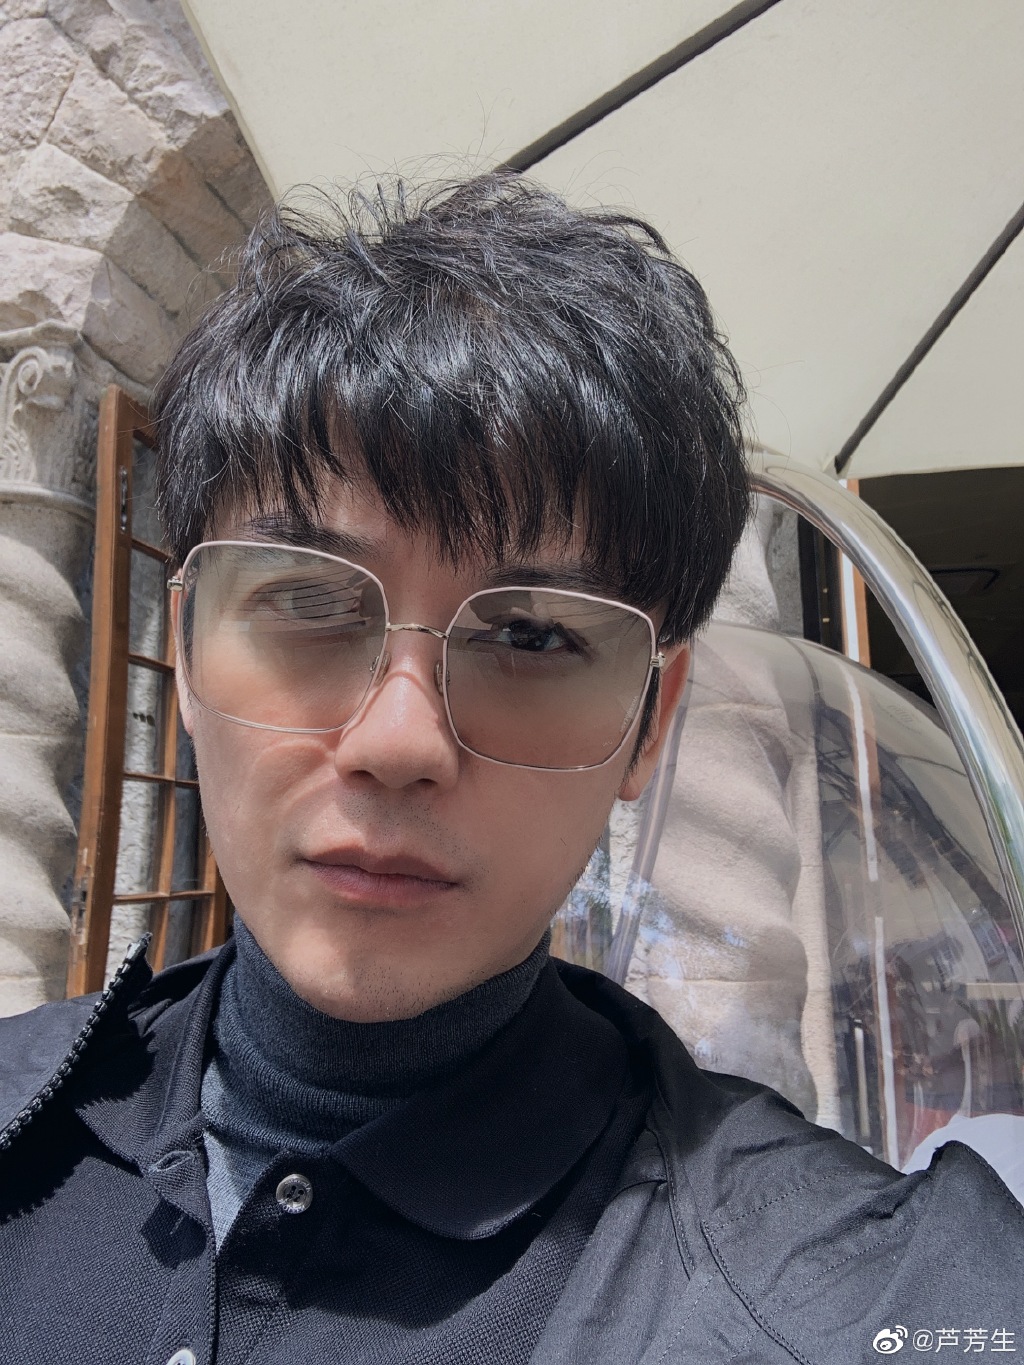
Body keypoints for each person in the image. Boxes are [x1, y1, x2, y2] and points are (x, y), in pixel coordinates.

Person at [0, 172, 1021, 1364]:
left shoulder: (849, 1289)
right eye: (308, 603)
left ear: (649, 722)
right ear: (184, 652)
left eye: (532, 636)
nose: (396, 744)